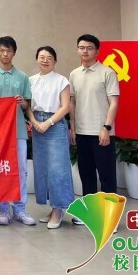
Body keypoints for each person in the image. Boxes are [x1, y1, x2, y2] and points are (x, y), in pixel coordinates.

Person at [0, 36, 35, 226]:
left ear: (14, 53)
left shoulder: (22, 77)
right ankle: (3, 209)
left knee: (20, 170)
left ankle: (20, 209)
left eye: (9, 51)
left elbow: (28, 105)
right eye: (2, 50)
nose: (5, 54)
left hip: (17, 130)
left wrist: (22, 103)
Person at [69, 34, 120, 225]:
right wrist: (72, 128)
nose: (85, 51)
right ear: (77, 50)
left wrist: (107, 127)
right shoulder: (74, 74)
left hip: (102, 133)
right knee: (86, 175)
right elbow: (72, 103)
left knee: (107, 176)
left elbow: (114, 103)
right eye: (81, 47)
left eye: (89, 48)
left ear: (97, 51)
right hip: (82, 132)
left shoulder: (107, 73)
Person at [26, 46, 73, 229]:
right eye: (42, 57)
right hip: (37, 125)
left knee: (57, 169)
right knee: (43, 168)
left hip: (55, 125)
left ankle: (59, 210)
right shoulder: (31, 81)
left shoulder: (62, 80)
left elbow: (65, 107)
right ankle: (53, 207)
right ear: (36, 59)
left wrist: (48, 123)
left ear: (55, 61)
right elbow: (28, 106)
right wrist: (33, 121)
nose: (45, 60)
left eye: (49, 58)